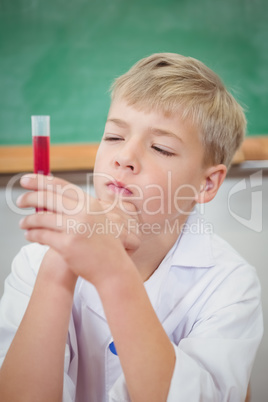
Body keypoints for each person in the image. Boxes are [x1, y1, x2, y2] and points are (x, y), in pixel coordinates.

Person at [0, 53, 263, 402]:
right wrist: (59, 265)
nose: (125, 157)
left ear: (207, 184)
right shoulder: (35, 263)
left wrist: (113, 271)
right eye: (113, 137)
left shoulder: (230, 285)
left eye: (160, 148)